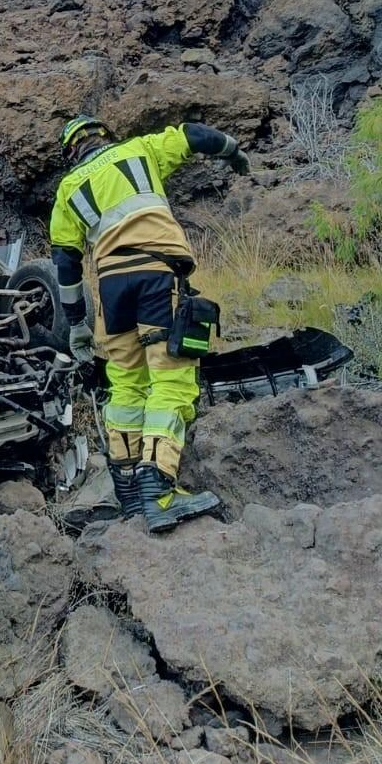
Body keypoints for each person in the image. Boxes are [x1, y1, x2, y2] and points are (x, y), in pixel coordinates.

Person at [49, 116, 250, 532]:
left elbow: (65, 264)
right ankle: (159, 492)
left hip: (109, 290)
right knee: (172, 379)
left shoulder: (68, 190)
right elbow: (195, 134)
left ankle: (128, 493)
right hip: (156, 274)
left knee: (126, 385)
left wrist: (76, 325)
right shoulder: (140, 150)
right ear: (106, 134)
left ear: (72, 151)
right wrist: (232, 150)